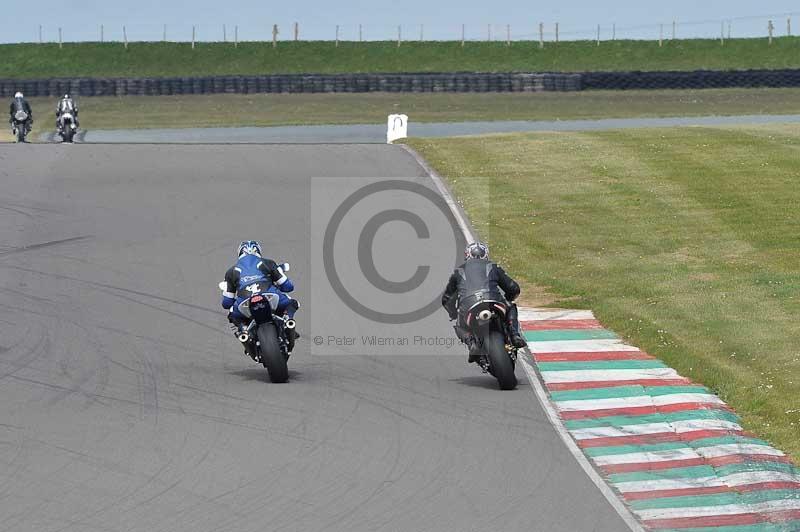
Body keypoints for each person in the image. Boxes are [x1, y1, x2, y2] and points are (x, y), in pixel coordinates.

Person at [442, 241, 527, 363]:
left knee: (459, 324)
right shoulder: (492, 266)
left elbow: (447, 299)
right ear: (486, 255)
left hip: (470, 305)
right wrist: (508, 298)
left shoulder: (458, 272)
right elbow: (514, 288)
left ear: (467, 255)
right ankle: (514, 335)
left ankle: (472, 344)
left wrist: (453, 313)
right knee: (511, 307)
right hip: (493, 301)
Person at [221, 240, 299, 356]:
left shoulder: (231, 272)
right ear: (258, 251)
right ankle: (288, 320)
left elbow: (227, 303)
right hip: (270, 296)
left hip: (244, 303)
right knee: (292, 302)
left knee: (232, 314)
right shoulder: (268, 263)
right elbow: (288, 286)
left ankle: (243, 331)